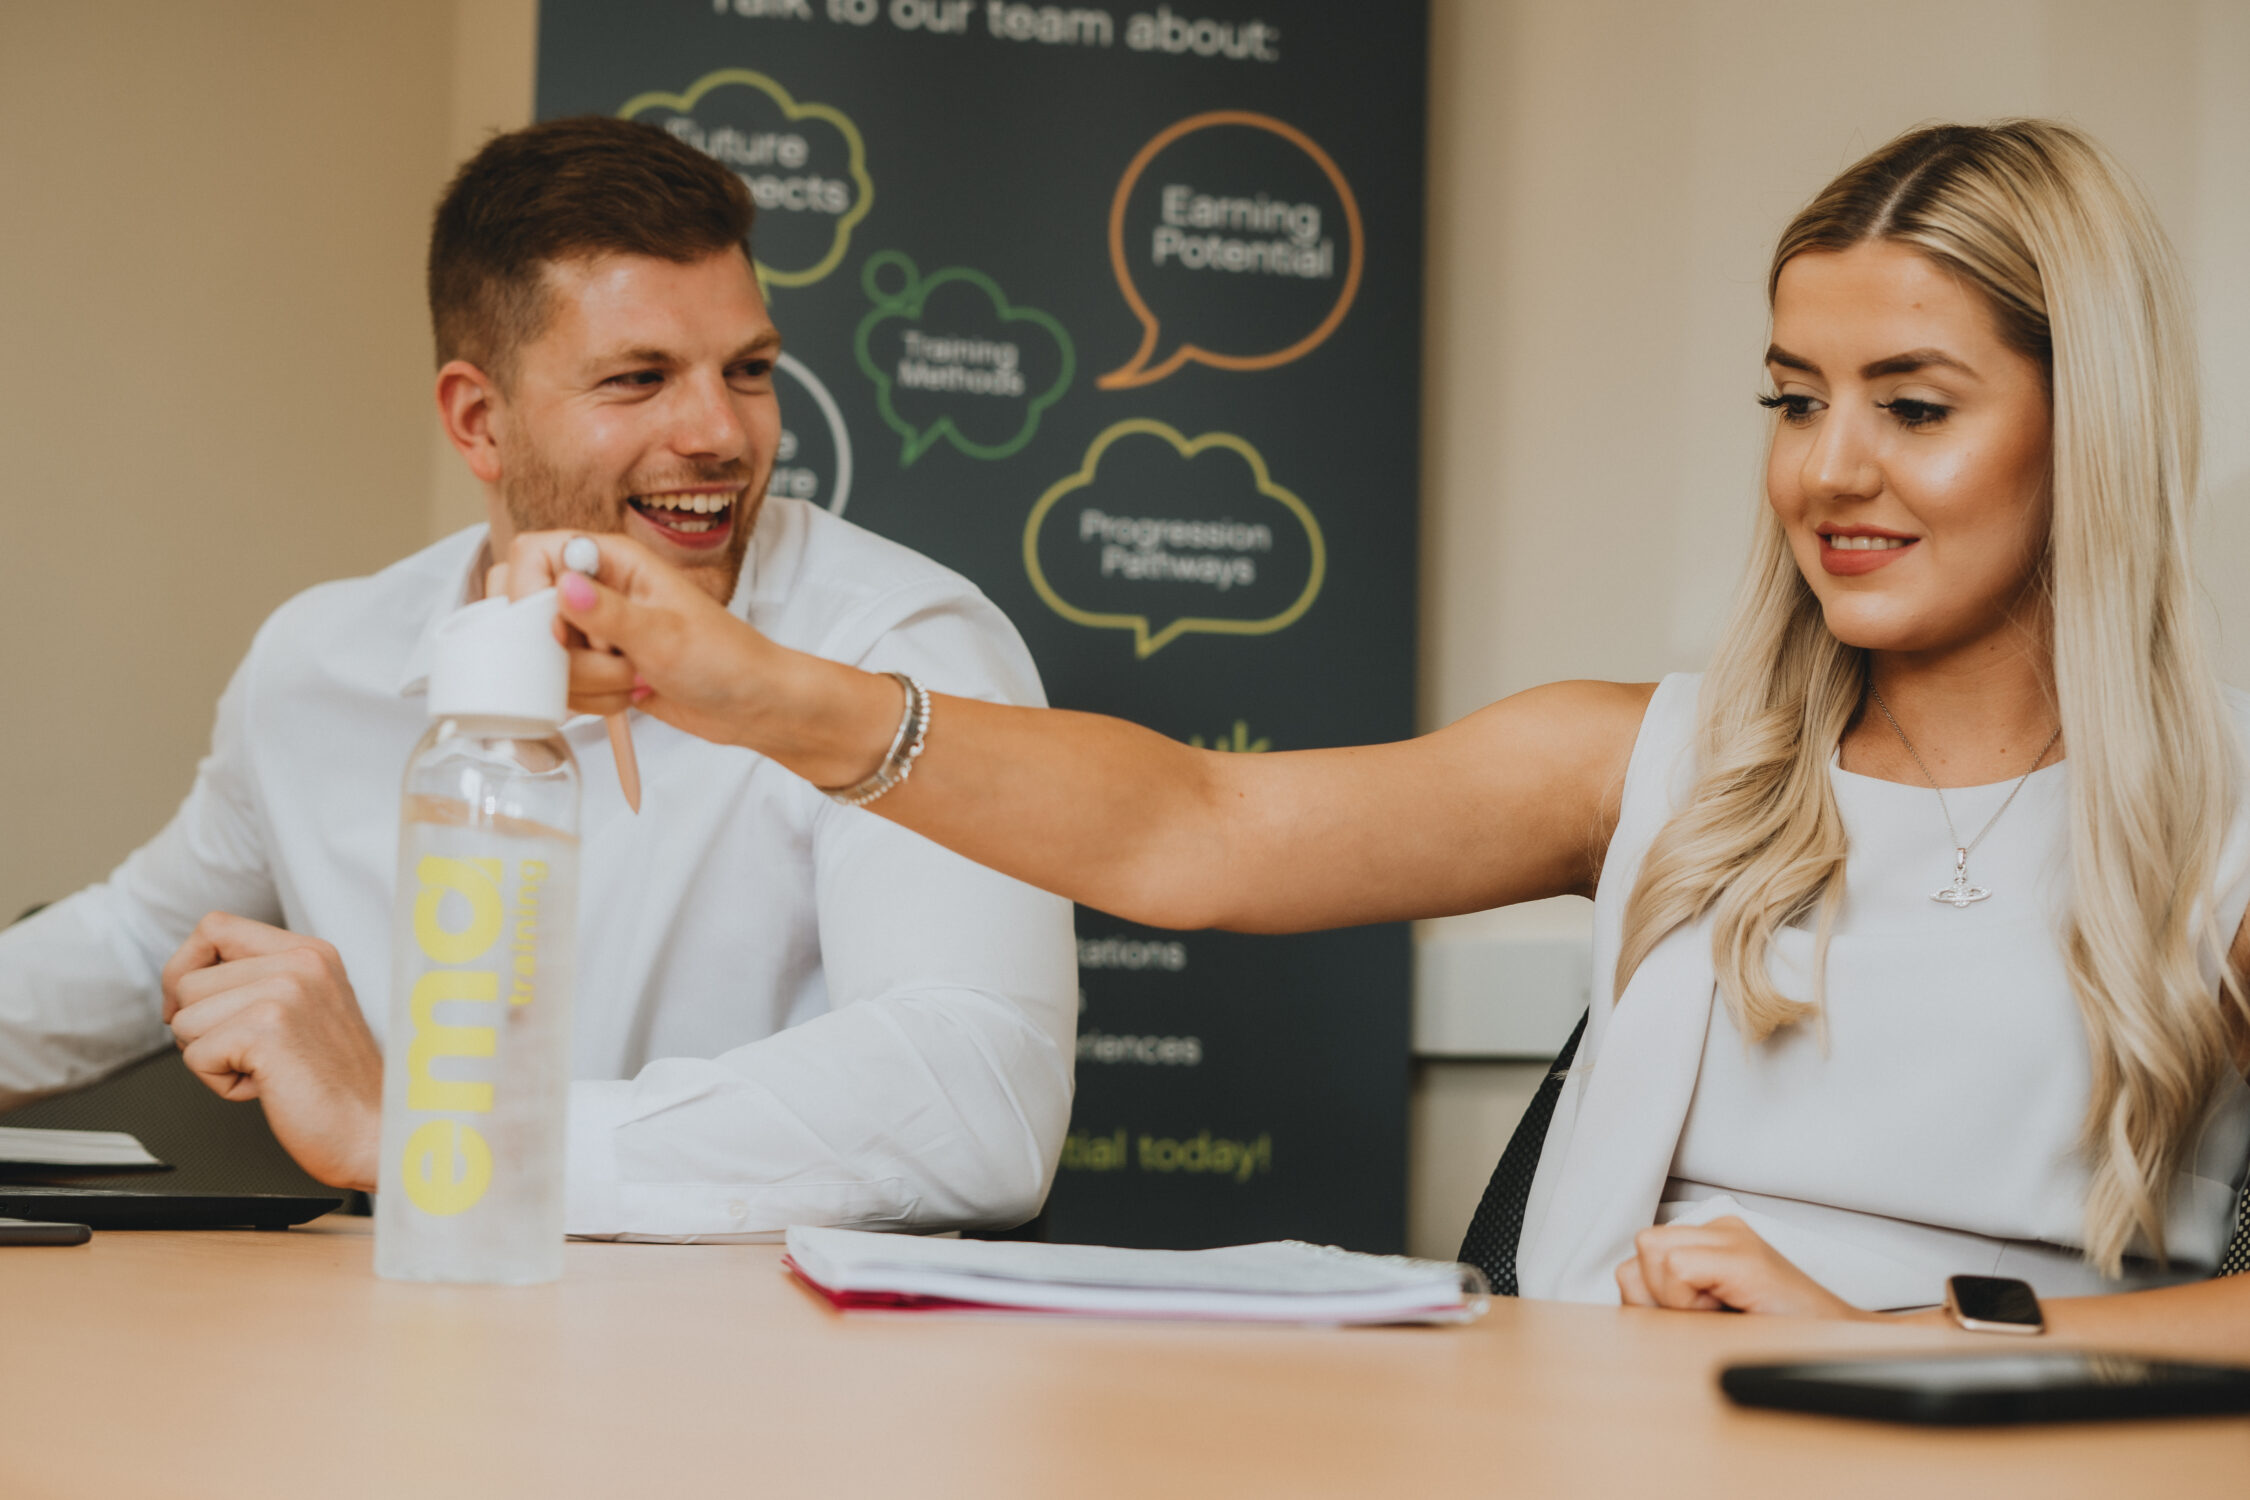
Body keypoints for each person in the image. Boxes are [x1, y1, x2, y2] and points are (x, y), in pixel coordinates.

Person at [499, 119, 2250, 1333]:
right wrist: (749, 689)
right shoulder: (1655, 762)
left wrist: (1932, 1342)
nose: (1829, 468)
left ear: (2081, 425)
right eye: (1794, 401)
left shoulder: (2223, 826)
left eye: (1914, 405)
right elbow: (1193, 829)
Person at [0, 117, 1079, 1239]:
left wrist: (434, 1136)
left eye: (748, 370)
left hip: (774, 1378)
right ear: (480, 421)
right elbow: (144, 945)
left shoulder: (899, 642)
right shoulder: (319, 662)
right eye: (639, 378)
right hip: (403, 1341)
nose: (720, 430)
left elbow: (978, 1101)